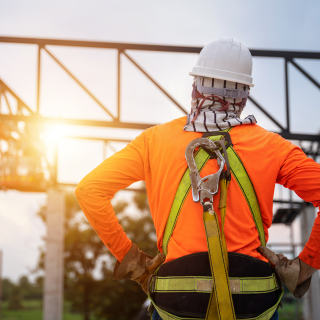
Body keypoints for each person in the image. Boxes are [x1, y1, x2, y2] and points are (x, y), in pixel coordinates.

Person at [75, 38, 320, 320]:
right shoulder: (273, 147)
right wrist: (306, 265)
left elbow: (89, 190)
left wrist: (134, 262)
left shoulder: (154, 141)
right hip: (253, 303)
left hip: (176, 303)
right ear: (244, 98)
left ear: (195, 87)